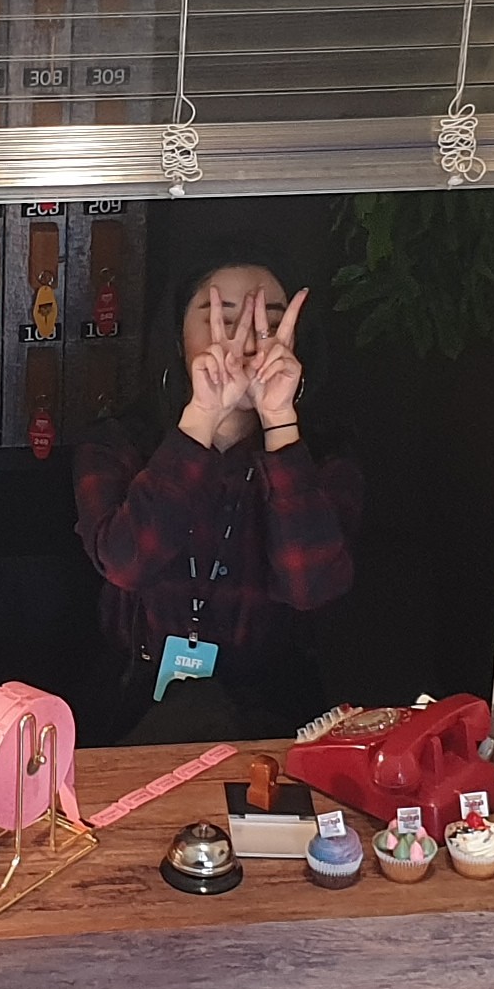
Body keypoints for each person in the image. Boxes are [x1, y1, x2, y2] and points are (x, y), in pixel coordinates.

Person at [72, 254, 363, 745]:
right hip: (136, 699)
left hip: (275, 710)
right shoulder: (117, 443)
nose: (246, 342)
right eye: (221, 321)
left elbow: (309, 585)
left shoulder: (325, 454)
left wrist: (279, 422)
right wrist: (203, 416)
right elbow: (127, 562)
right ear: (177, 337)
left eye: (271, 323)